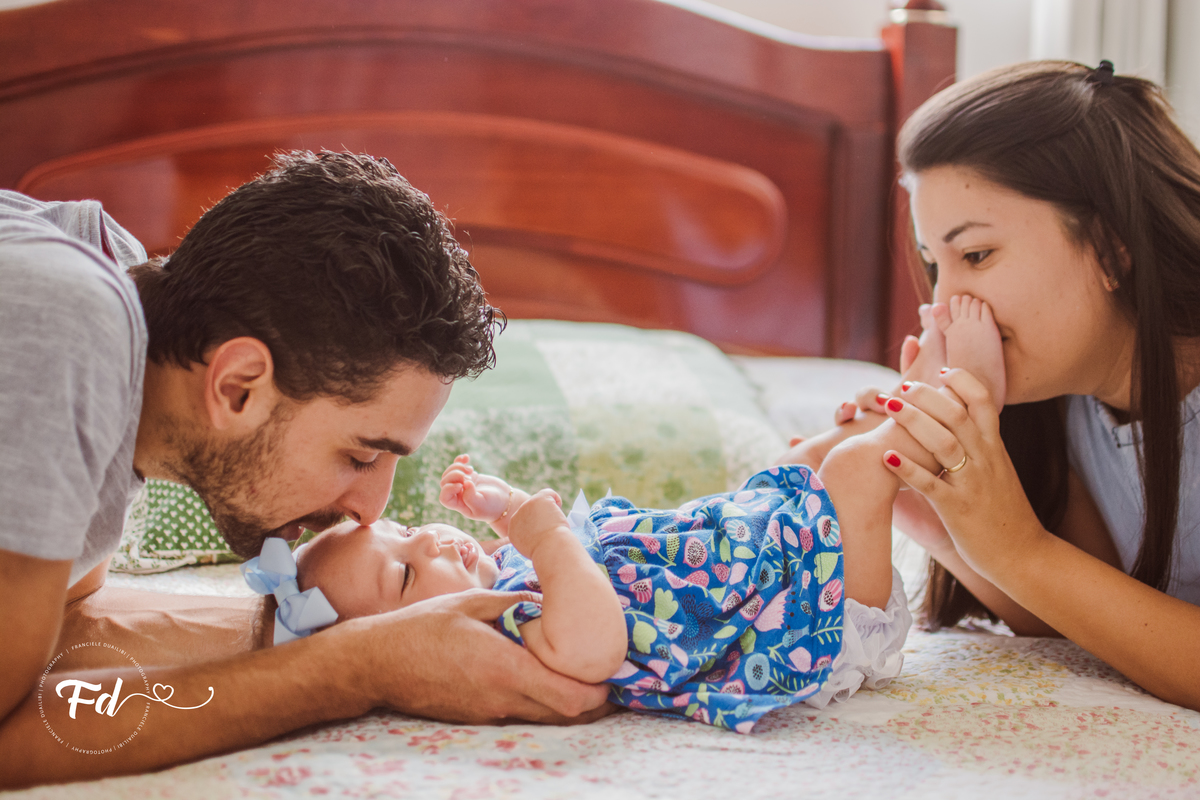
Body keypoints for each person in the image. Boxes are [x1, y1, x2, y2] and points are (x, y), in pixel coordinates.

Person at [0, 151, 611, 789]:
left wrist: (311, 626)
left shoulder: (115, 293)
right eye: (359, 455)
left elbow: (60, 623)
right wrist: (355, 668)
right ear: (237, 387)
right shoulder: (62, 327)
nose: (373, 510)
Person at [246, 302, 1007, 731]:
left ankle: (913, 404)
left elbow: (555, 553)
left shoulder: (511, 583)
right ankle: (964, 398)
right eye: (410, 569)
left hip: (760, 568)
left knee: (804, 460)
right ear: (408, 640)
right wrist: (540, 531)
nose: (430, 537)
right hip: (811, 629)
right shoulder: (503, 643)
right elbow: (595, 643)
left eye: (406, 533)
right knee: (848, 470)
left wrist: (502, 509)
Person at [826, 60, 1200, 712]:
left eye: (975, 255)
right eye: (933, 266)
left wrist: (1018, 548)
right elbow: (1091, 620)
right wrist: (945, 504)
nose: (946, 304)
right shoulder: (1072, 403)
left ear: (1111, 250)